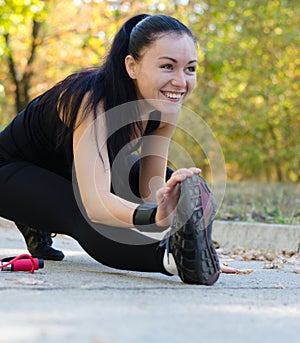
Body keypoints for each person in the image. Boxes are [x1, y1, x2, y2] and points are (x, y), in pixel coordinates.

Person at [0, 14, 235, 285]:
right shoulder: (91, 101)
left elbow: (149, 190)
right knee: (83, 211)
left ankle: (190, 251)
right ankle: (173, 260)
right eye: (167, 66)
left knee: (170, 182)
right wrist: (153, 217)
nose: (181, 82)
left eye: (190, 69)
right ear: (132, 66)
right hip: (11, 170)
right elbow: (98, 205)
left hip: (74, 165)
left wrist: (168, 210)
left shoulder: (166, 106)